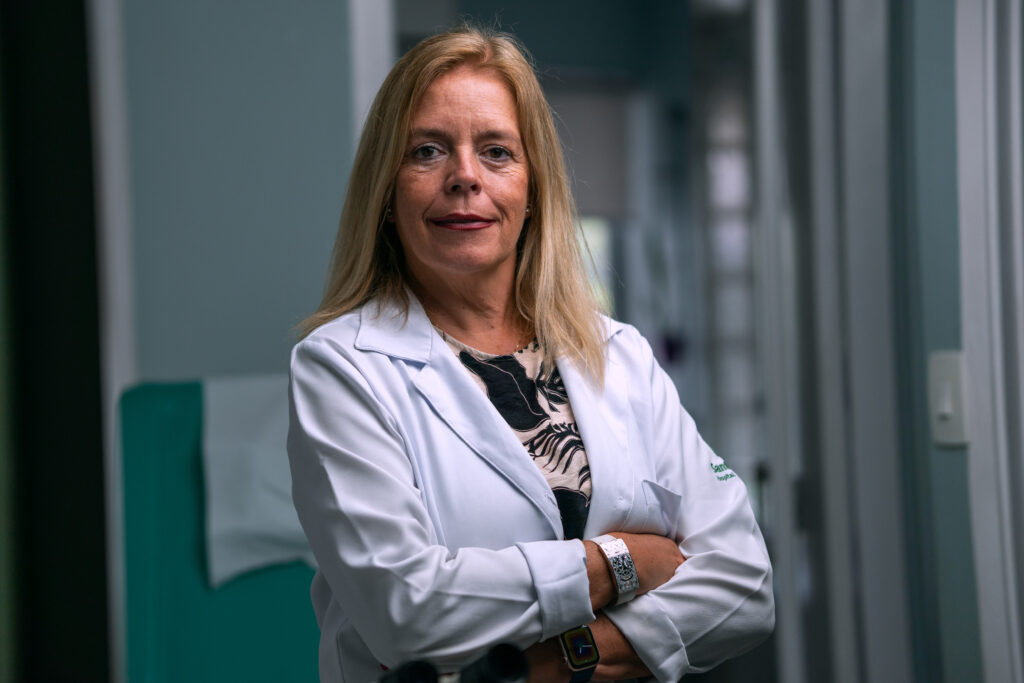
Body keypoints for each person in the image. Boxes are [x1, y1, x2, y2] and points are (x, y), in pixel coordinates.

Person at [288, 26, 774, 683]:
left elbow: (745, 582)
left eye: (496, 152)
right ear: (387, 193)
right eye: (427, 151)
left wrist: (561, 659)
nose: (465, 177)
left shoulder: (619, 355)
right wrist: (619, 561)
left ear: (533, 188)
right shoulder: (341, 367)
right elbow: (407, 610)